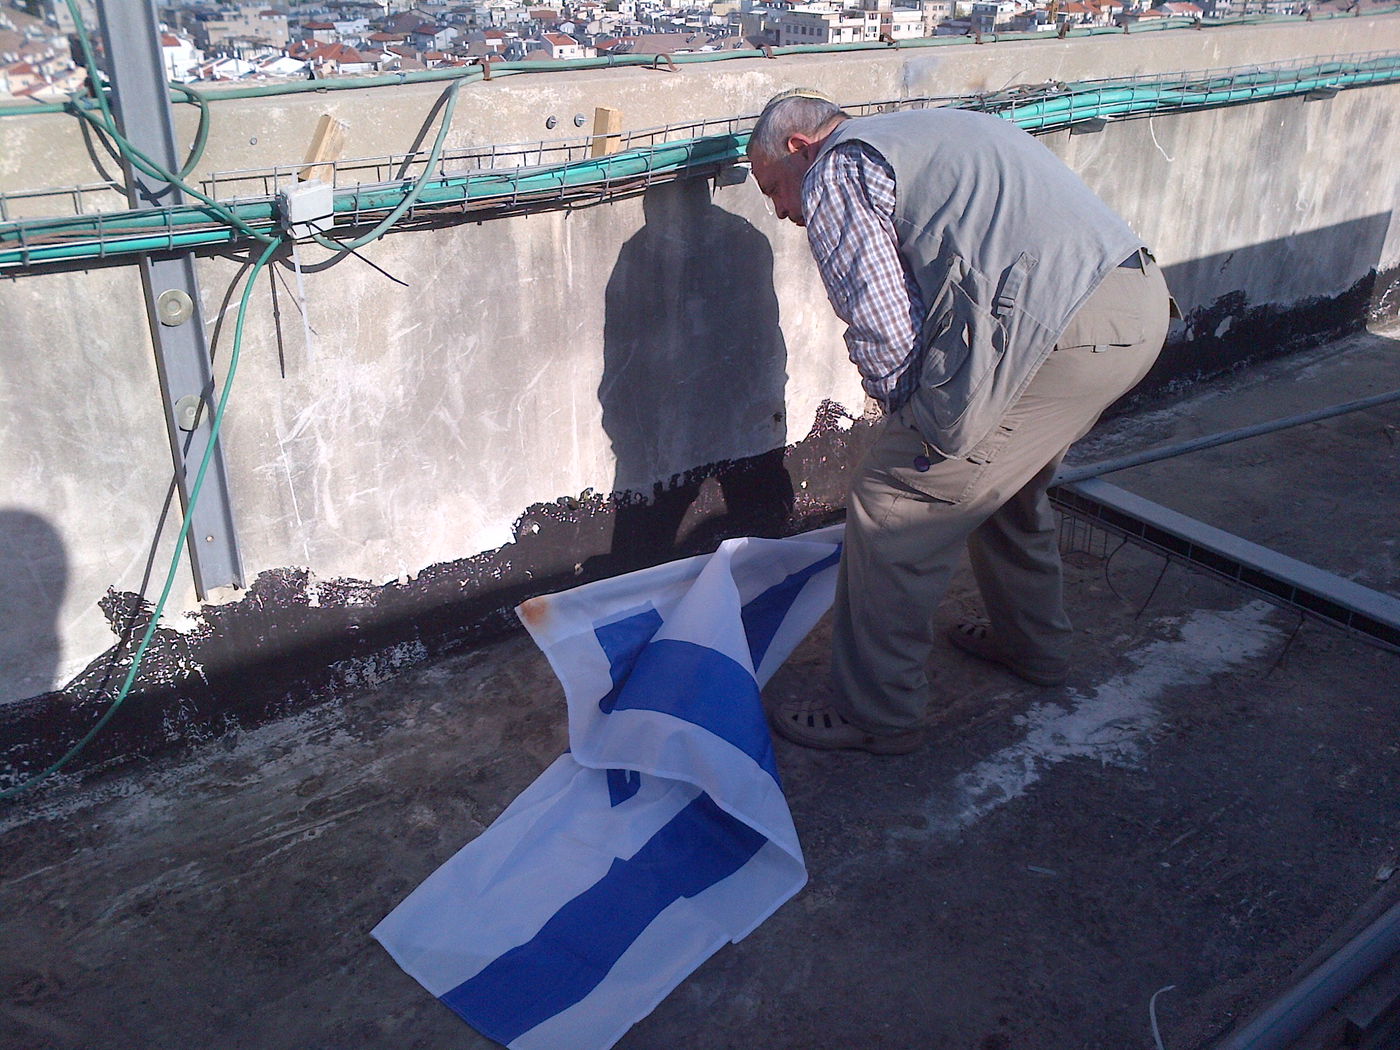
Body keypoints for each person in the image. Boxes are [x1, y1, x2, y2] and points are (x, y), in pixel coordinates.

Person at [748, 90, 1171, 755]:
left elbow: (884, 325)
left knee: (896, 500)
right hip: (1134, 310)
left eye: (772, 187)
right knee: (1004, 484)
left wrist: (911, 436)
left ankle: (876, 712)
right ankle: (1033, 645)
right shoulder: (924, 131)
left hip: (1056, 330)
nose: (780, 211)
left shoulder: (837, 168)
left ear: (800, 148)